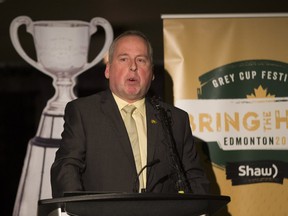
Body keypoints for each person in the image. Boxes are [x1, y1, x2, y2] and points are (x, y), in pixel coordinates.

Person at [50, 30, 210, 198]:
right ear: (108, 70)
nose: (133, 66)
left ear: (152, 73)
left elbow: (194, 178)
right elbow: (66, 168)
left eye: (141, 60)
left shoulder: (175, 119)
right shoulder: (84, 112)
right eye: (124, 59)